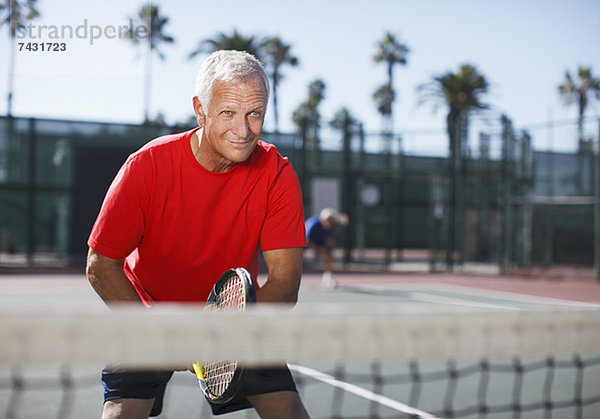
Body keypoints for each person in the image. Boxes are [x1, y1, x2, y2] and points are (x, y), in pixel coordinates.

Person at [86, 50, 309, 419]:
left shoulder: (277, 173)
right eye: (228, 113)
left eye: (255, 114)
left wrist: (222, 340)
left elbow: (285, 284)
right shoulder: (147, 166)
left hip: (235, 325)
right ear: (200, 110)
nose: (243, 130)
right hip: (147, 313)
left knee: (288, 411)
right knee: (120, 414)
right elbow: (100, 265)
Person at [305, 207, 348, 288]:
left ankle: (328, 277)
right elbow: (306, 240)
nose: (330, 221)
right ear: (323, 218)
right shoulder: (313, 223)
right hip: (304, 242)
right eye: (329, 219)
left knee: (329, 256)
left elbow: (329, 240)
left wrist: (328, 244)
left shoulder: (330, 227)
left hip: (318, 243)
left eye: (331, 219)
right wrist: (318, 249)